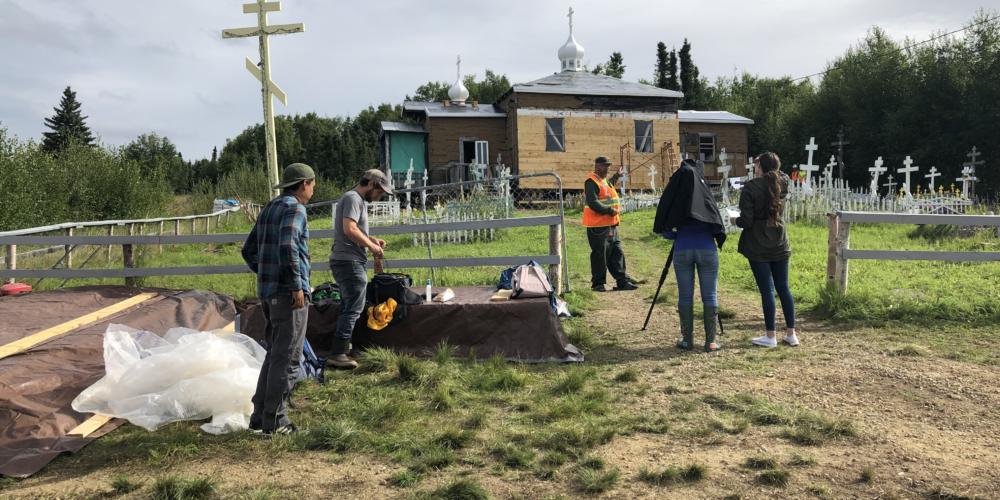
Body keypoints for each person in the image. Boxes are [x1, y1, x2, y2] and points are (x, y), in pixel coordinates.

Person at [241, 163, 316, 436]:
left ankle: (259, 417)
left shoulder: (270, 208)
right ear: (304, 184)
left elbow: (248, 251)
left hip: (269, 293)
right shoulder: (296, 209)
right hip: (289, 296)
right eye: (312, 183)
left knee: (274, 354)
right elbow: (289, 246)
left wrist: (266, 274)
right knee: (288, 358)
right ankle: (276, 420)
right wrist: (296, 285)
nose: (313, 188)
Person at [653, 159, 727, 352]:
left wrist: (679, 235)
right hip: (707, 249)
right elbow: (716, 225)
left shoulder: (677, 196)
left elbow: (666, 230)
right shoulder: (705, 195)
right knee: (709, 294)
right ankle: (710, 341)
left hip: (682, 249)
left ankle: (687, 340)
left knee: (685, 295)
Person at [329, 168, 393, 369]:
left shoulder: (357, 200)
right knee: (353, 307)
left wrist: (371, 240)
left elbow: (354, 230)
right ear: (372, 184)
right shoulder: (353, 198)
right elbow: (349, 229)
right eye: (380, 191)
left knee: (352, 305)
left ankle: (347, 348)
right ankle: (338, 352)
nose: (380, 195)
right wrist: (372, 246)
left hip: (348, 259)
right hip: (348, 260)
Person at [735, 152, 799, 348]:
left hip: (758, 243)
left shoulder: (751, 188)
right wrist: (769, 166)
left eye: (756, 165)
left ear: (760, 167)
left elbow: (745, 221)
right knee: (784, 287)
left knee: (767, 290)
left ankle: (770, 336)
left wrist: (733, 220)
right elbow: (783, 174)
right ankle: (791, 334)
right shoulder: (783, 183)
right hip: (780, 240)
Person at [583, 156, 639, 292]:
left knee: (617, 252)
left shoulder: (604, 181)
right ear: (597, 166)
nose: (607, 168)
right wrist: (609, 210)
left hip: (611, 225)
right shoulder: (591, 182)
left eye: (608, 166)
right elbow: (593, 202)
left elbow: (610, 184)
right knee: (600, 254)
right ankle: (598, 284)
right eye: (604, 166)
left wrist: (617, 175)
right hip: (597, 226)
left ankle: (622, 281)